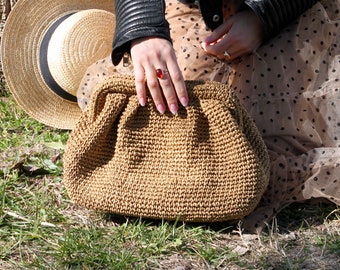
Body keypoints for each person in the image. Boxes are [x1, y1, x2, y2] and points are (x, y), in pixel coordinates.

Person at [78, 0, 340, 232]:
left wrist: (262, 15)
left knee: (253, 140)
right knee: (167, 104)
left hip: (287, 15)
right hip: (192, 11)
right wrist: (144, 30)